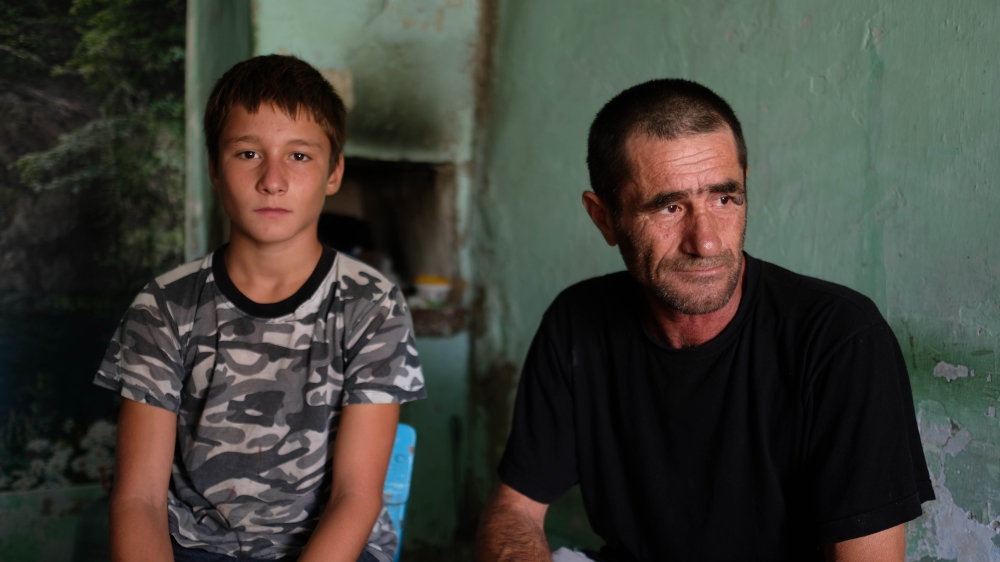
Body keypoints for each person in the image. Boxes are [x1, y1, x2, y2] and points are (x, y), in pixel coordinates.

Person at [475, 79, 933, 562]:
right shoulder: (577, 322)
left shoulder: (840, 338)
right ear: (604, 218)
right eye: (670, 207)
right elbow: (515, 509)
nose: (707, 242)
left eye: (724, 198)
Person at [94, 55, 426, 562]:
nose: (273, 179)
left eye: (299, 156)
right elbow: (139, 499)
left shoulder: (371, 304)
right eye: (248, 153)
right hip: (195, 546)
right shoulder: (164, 305)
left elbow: (355, 497)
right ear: (214, 167)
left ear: (334, 172)